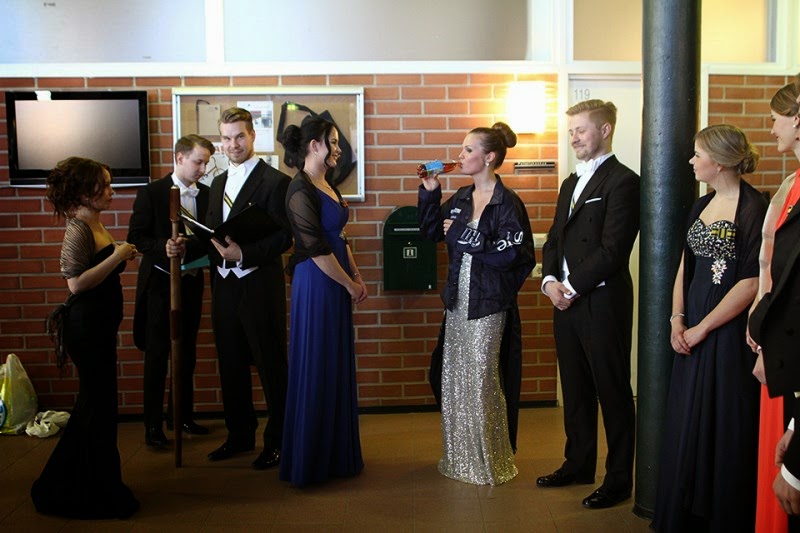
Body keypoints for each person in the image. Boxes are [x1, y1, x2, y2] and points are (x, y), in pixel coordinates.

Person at [652, 124, 766, 531]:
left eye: (697, 154)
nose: (691, 161)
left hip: (727, 330)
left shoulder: (754, 207)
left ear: (718, 162)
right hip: (691, 323)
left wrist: (703, 329)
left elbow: (751, 281)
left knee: (725, 419)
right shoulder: (701, 205)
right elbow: (686, 264)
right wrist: (677, 319)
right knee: (686, 416)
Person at [170, 107, 292, 470]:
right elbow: (213, 236)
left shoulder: (275, 181)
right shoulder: (219, 182)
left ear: (253, 135)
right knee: (231, 363)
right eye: (226, 138)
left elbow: (286, 237)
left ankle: (279, 440)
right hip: (223, 286)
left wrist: (245, 254)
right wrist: (186, 247)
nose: (233, 144)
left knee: (270, 365)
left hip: (259, 285)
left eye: (239, 136)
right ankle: (240, 435)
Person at [418, 122, 535, 486]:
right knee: (456, 379)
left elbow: (515, 255)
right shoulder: (461, 198)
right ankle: (461, 459)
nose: (460, 155)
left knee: (482, 378)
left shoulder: (508, 203)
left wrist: (466, 237)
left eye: (468, 150)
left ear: (489, 157)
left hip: (489, 303)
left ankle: (490, 461)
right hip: (457, 300)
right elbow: (431, 233)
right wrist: (430, 194)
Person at [537, 99, 639, 509]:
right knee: (575, 388)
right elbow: (554, 237)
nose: (574, 138)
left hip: (601, 300)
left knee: (612, 391)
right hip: (564, 300)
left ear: (605, 130)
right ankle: (578, 463)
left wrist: (570, 286)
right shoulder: (569, 182)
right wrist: (549, 282)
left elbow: (614, 249)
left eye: (580, 129)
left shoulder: (624, 181)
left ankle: (619, 479)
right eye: (571, 131)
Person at [32, 157, 140, 519]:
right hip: (86, 329)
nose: (111, 191)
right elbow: (76, 284)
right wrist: (118, 254)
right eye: (103, 185)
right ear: (82, 191)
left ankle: (93, 483)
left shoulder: (94, 221)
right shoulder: (78, 228)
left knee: (100, 408)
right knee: (95, 408)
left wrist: (121, 252)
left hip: (99, 328)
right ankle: (70, 488)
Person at [277, 115, 368, 486]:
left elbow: (339, 236)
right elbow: (314, 248)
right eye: (332, 141)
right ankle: (311, 460)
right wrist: (348, 284)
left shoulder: (326, 183)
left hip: (337, 277)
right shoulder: (299, 188)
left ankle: (336, 455)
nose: (338, 148)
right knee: (317, 361)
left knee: (334, 360)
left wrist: (356, 276)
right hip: (317, 283)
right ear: (314, 145)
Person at [127, 134, 215, 447]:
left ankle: (181, 416)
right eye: (198, 162)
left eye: (206, 163)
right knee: (157, 355)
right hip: (159, 286)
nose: (202, 169)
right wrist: (162, 246)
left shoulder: (207, 194)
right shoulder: (152, 193)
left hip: (191, 282)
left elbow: (210, 238)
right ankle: (152, 426)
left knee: (186, 353)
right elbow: (136, 237)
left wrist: (193, 246)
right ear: (179, 158)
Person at [749, 74, 800, 529]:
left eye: (775, 119)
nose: (771, 129)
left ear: (797, 119)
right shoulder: (790, 182)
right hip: (779, 344)